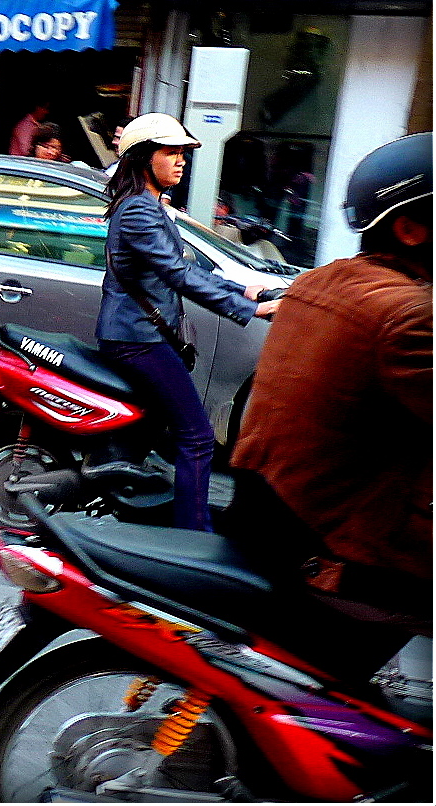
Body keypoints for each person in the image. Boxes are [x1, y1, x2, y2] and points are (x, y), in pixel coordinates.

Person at [225, 132, 431, 643]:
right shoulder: (409, 315)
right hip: (334, 550)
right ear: (409, 228)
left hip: (266, 518)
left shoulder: (319, 282)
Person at [96, 112, 279, 532]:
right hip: (137, 338)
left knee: (163, 431)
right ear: (144, 158)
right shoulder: (139, 211)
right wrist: (251, 311)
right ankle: (193, 534)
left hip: (141, 334)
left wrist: (247, 292)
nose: (181, 161)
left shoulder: (147, 206)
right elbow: (175, 274)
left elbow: (186, 266)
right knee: (196, 438)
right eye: (171, 152)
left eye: (182, 153)